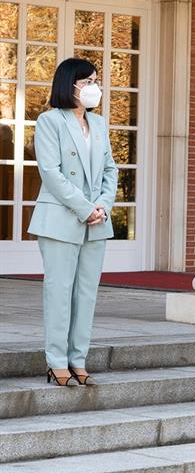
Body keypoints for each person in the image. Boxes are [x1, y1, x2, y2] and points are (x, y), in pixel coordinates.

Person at [28, 58, 117, 387]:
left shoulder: (100, 124)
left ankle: (78, 359)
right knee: (60, 291)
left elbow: (111, 170)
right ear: (70, 84)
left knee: (86, 294)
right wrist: (85, 207)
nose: (96, 87)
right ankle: (56, 361)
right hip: (60, 220)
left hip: (96, 222)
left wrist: (103, 206)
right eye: (89, 81)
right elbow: (51, 173)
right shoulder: (49, 121)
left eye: (97, 80)